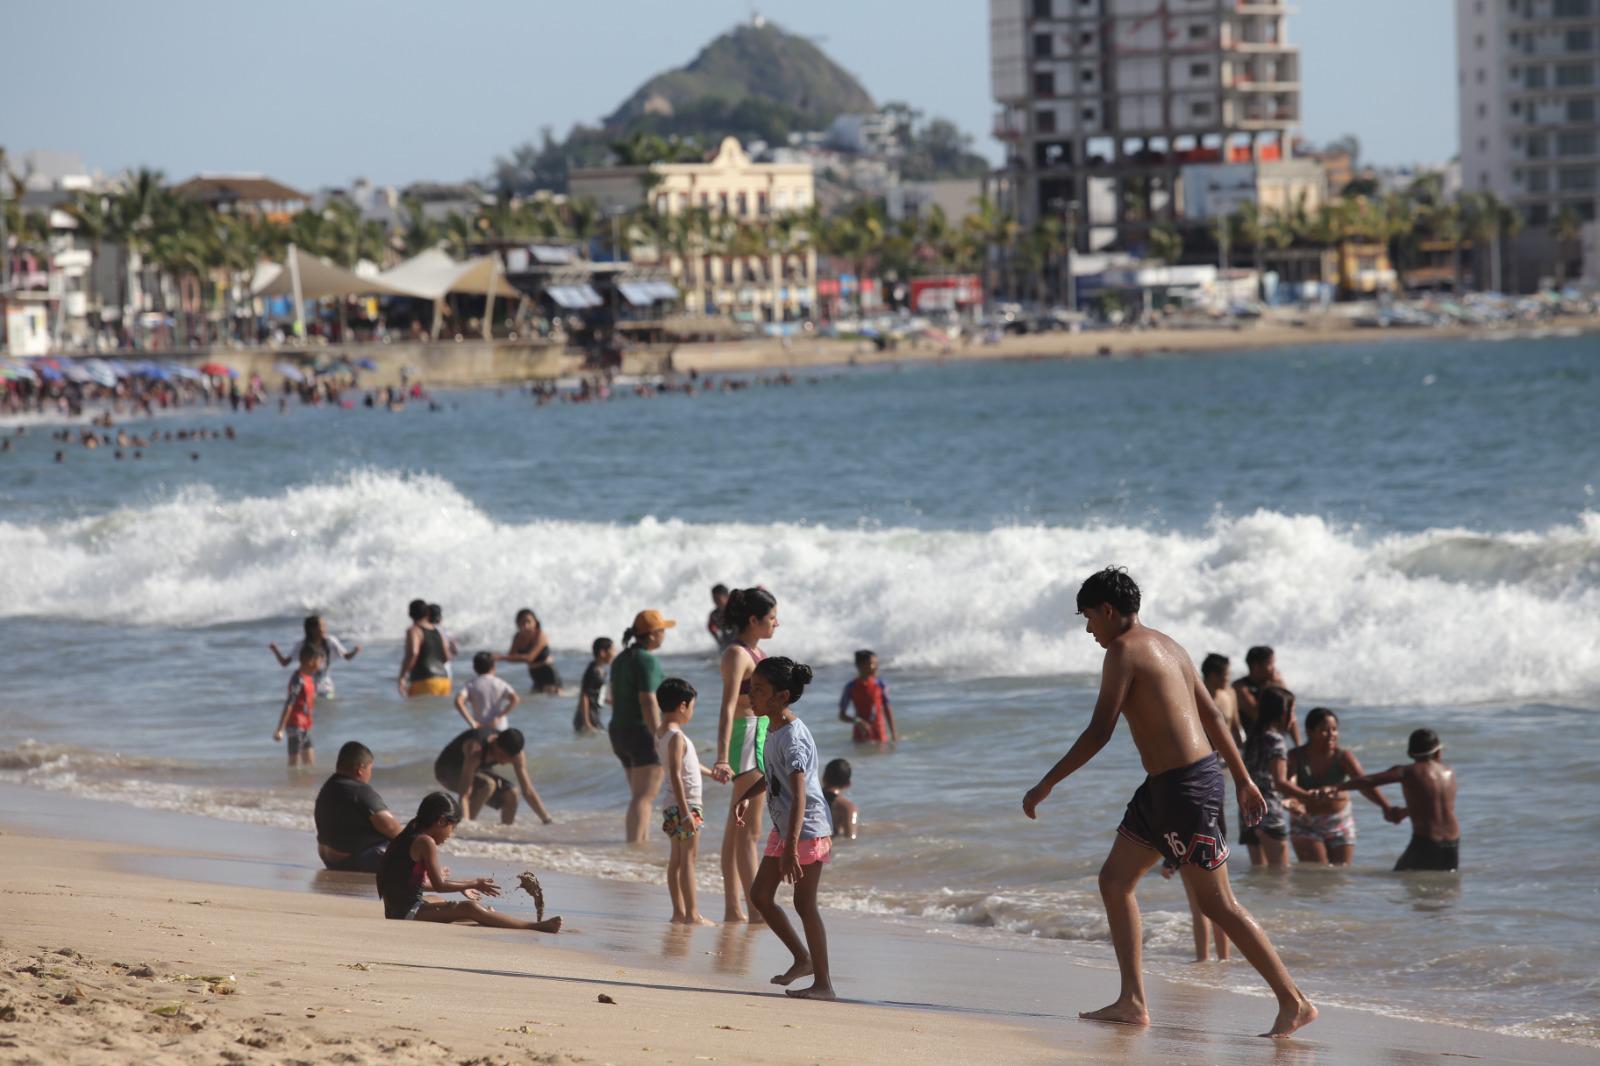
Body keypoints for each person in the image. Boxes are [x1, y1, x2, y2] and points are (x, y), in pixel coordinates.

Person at [1021, 567, 1315, 1038]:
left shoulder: (1122, 650)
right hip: (1166, 787)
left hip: (1185, 789)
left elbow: (1100, 731)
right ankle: (1132, 1001)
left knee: (1217, 904)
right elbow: (1215, 715)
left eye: (1089, 618)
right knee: (1115, 882)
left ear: (1108, 611)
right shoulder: (1171, 645)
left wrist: (1046, 784)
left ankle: (1293, 1000)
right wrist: (1240, 779)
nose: (1088, 629)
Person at [734, 656, 835, 1000]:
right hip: (786, 829)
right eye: (751, 688)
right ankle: (802, 958)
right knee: (760, 895)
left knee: (805, 905)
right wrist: (748, 796)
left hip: (805, 830)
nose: (751, 695)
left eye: (759, 690)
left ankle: (824, 984)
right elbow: (773, 777)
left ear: (782, 695)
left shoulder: (793, 736)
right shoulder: (772, 728)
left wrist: (792, 845)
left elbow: (802, 792)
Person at [376, 791, 562, 931]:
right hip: (408, 914)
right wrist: (474, 883)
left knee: (439, 900)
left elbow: (412, 884)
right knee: (470, 907)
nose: (451, 834)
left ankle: (486, 916)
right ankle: (531, 926)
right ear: (441, 821)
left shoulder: (406, 836)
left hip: (395, 912)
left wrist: (462, 886)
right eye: (452, 827)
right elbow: (440, 884)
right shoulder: (426, 842)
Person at [711, 587, 779, 923]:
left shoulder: (756, 651)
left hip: (758, 736)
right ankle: (755, 912)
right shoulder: (736, 654)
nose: (776, 623)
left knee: (735, 831)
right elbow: (726, 708)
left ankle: (734, 909)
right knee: (749, 832)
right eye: (770, 617)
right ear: (753, 619)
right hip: (745, 738)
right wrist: (722, 757)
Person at [1327, 728, 1459, 872]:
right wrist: (1404, 812)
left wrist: (1336, 788)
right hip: (1453, 843)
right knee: (1444, 888)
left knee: (1403, 879)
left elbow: (1368, 781)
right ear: (1438, 752)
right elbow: (1436, 807)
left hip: (1427, 842)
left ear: (1410, 753)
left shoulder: (1408, 771)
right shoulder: (1449, 772)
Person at [1287, 707, 1397, 866]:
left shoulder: (1343, 757)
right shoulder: (1296, 756)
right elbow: (1288, 784)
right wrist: (1293, 802)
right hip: (1305, 823)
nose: (1331, 735)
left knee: (1339, 876)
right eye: (1324, 730)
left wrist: (1386, 807)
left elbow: (1365, 784)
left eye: (1334, 730)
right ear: (1310, 732)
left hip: (1340, 822)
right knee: (1318, 874)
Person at [608, 610, 674, 844]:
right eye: (663, 630)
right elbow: (648, 700)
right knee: (644, 798)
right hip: (640, 732)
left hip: (619, 731)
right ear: (653, 634)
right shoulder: (646, 660)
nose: (665, 635)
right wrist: (659, 735)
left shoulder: (620, 659)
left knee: (638, 796)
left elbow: (612, 697)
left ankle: (638, 843)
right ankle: (635, 849)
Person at [656, 677, 715, 925]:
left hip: (673, 805)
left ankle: (678, 913)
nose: (692, 712)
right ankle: (692, 914)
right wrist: (686, 812)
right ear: (682, 706)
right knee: (688, 860)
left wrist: (712, 773)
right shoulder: (677, 737)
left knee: (677, 860)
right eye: (692, 707)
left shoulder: (662, 734)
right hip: (686, 804)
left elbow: (685, 765)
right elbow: (677, 775)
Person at [1239, 686, 1307, 869]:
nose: (1293, 718)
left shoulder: (1252, 738)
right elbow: (1279, 782)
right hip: (1269, 815)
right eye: (1292, 712)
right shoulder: (1275, 740)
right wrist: (1307, 797)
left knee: (1259, 875)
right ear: (1282, 713)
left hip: (1248, 815)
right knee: (1280, 876)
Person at [432, 727, 551, 826]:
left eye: (509, 759)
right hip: (446, 770)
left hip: (478, 770)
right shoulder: (476, 749)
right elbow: (465, 794)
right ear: (495, 744)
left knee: (512, 793)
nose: (505, 761)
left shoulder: (516, 754)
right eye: (502, 755)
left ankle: (505, 836)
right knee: (487, 785)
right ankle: (465, 831)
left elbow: (528, 791)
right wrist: (465, 825)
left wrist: (546, 820)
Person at [314, 741, 402, 872]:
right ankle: (426, 876)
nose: (370, 775)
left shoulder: (328, 787)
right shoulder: (359, 790)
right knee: (409, 844)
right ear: (361, 769)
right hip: (356, 861)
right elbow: (391, 827)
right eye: (370, 769)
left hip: (329, 860)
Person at [270, 615, 361, 698]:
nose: (325, 629)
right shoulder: (302, 645)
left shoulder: (331, 642)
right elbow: (284, 663)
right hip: (306, 685)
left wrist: (355, 651)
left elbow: (347, 657)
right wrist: (276, 651)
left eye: (325, 626)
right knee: (309, 709)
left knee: (329, 702)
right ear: (311, 629)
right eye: (321, 626)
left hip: (326, 686)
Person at [1234, 646, 1300, 744]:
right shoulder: (1241, 686)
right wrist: (1269, 687)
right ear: (1256, 666)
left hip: (1274, 740)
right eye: (1270, 664)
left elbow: (1290, 713)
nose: (1274, 669)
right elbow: (1257, 715)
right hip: (1250, 743)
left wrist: (1298, 747)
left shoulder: (1275, 684)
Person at [273, 644, 323, 767]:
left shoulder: (310, 678)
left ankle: (304, 785)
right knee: (294, 763)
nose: (320, 664)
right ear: (311, 661)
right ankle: (292, 785)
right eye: (319, 661)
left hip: (304, 726)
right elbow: (289, 702)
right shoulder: (298, 679)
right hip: (295, 726)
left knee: (310, 763)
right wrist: (280, 728)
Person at [838, 649, 898, 744]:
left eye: (876, 663)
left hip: (880, 736)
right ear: (860, 666)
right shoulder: (850, 687)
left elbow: (887, 709)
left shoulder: (881, 684)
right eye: (872, 664)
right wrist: (857, 721)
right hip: (860, 738)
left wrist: (894, 734)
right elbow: (841, 716)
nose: (876, 667)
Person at [498, 608, 563, 695]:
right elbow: (510, 658)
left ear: (535, 622)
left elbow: (530, 657)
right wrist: (506, 658)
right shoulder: (518, 637)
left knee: (554, 701)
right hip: (535, 676)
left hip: (549, 675)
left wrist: (500, 657)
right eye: (522, 622)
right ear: (517, 624)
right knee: (533, 704)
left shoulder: (540, 635)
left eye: (529, 622)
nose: (526, 625)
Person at [398, 599, 450, 698]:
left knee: (418, 712)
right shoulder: (438, 631)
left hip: (424, 681)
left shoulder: (414, 630)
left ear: (410, 614)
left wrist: (402, 676)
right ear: (427, 613)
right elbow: (446, 657)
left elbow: (413, 653)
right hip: (444, 680)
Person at [455, 651, 519, 732]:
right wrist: (500, 717)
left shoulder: (471, 684)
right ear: (493, 667)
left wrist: (472, 722)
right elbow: (515, 699)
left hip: (480, 727)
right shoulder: (500, 683)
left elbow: (458, 701)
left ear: (474, 668)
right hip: (499, 726)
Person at [574, 637, 614, 734]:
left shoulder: (600, 670)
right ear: (602, 652)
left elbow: (597, 695)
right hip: (588, 718)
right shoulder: (593, 671)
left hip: (594, 715)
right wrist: (586, 722)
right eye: (612, 650)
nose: (614, 654)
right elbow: (584, 695)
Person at [822, 759, 858, 840]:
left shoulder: (809, 798)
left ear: (824, 777)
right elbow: (850, 837)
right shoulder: (846, 807)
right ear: (848, 783)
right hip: (828, 849)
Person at [428, 603, 460, 682]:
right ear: (440, 617)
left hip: (427, 671)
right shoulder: (448, 632)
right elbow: (456, 651)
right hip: (446, 670)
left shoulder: (422, 632)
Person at [706, 584, 736, 650]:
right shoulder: (714, 615)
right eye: (714, 599)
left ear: (727, 597)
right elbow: (710, 627)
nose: (715, 602)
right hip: (726, 641)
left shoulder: (736, 610)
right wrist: (719, 641)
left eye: (718, 599)